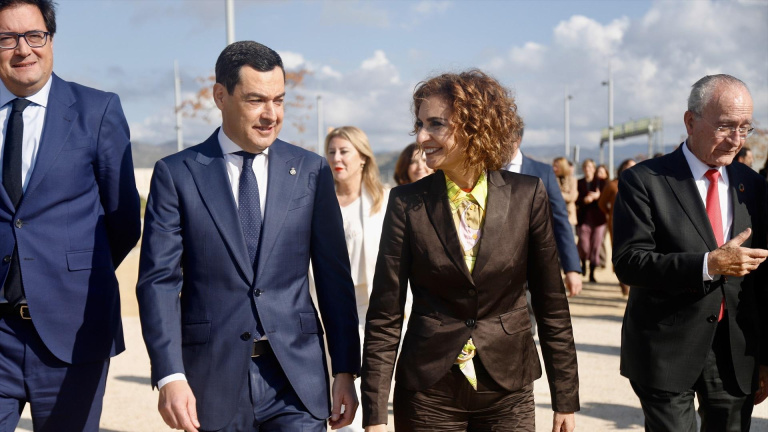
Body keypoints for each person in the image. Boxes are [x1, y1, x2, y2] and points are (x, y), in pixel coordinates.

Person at [136, 41, 360, 432]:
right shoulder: (177, 174)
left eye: (279, 100)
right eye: (256, 100)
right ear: (220, 96)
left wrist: (344, 370)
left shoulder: (311, 171)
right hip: (212, 381)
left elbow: (333, 278)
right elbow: (159, 282)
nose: (271, 114)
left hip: (297, 382)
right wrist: (170, 375)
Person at [361, 70, 579, 432]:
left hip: (508, 390)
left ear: (474, 126)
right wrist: (375, 414)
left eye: (435, 124)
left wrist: (565, 398)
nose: (421, 137)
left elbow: (551, 303)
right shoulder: (406, 202)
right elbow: (386, 313)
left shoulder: (527, 195)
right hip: (428, 393)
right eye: (419, 124)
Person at [0, 1, 141, 430]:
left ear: (50, 39)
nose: (23, 49)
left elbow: (123, 220)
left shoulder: (97, 110)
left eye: (34, 35)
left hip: (73, 330)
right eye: (6, 38)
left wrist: (72, 273)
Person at [613, 74, 768, 431]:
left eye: (745, 128)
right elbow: (629, 262)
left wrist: (764, 357)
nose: (736, 139)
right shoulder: (644, 181)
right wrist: (708, 264)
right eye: (725, 126)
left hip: (734, 352)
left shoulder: (754, 186)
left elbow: (763, 282)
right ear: (690, 121)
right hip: (665, 348)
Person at [324, 126, 388, 432]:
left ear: (363, 157)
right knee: (332, 391)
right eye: (331, 151)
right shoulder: (319, 201)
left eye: (344, 151)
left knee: (365, 392)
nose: (337, 158)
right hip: (328, 310)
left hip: (372, 310)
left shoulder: (384, 200)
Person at [597, 158, 635, 296]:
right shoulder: (612, 185)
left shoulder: (640, 182)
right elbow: (602, 203)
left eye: (634, 166)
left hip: (636, 222)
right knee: (619, 250)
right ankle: (623, 281)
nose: (631, 169)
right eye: (628, 166)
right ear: (622, 168)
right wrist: (610, 213)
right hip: (617, 223)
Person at [576, 158, 606, 282]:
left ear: (594, 169)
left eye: (590, 167)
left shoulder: (601, 182)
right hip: (583, 219)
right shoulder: (579, 182)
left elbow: (607, 197)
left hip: (599, 220)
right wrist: (584, 200)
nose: (587, 169)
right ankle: (583, 262)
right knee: (584, 245)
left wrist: (598, 196)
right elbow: (575, 199)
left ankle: (592, 273)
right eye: (585, 167)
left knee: (595, 247)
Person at [553, 156, 578, 229]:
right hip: (554, 216)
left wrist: (558, 194)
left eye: (556, 166)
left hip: (569, 217)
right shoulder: (552, 179)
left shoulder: (572, 180)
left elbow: (572, 197)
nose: (554, 168)